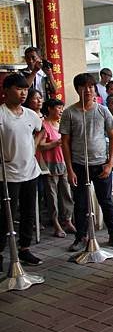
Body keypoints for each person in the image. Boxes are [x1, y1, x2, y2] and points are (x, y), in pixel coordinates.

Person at [60, 73, 113, 251]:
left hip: (101, 164)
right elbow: (64, 142)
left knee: (106, 200)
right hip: (79, 165)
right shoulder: (69, 113)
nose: (88, 90)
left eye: (91, 87)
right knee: (80, 202)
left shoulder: (102, 110)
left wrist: (110, 163)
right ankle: (81, 236)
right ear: (77, 90)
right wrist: (70, 169)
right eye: (83, 87)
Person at [0, 74, 44, 268]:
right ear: (6, 90)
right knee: (6, 215)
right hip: (8, 174)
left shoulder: (30, 114)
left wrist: (33, 147)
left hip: (30, 172)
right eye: (19, 89)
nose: (23, 93)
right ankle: (0, 252)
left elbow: (41, 130)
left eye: (25, 89)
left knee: (28, 212)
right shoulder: (1, 115)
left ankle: (24, 249)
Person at [39, 98, 76, 238]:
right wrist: (56, 143)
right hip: (50, 164)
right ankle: (56, 223)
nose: (61, 111)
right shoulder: (44, 125)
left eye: (62, 108)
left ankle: (67, 220)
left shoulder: (62, 124)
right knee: (52, 195)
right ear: (49, 109)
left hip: (64, 163)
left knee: (66, 193)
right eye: (58, 108)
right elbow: (40, 146)